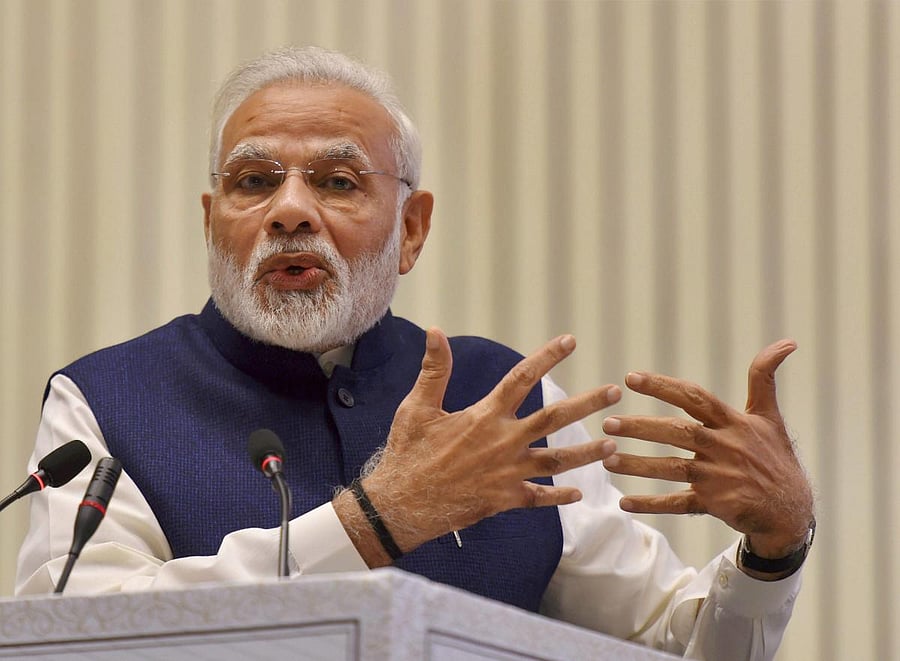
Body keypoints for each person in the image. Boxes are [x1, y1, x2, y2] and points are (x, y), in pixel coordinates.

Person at [16, 46, 814, 659]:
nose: (290, 209)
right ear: (211, 219)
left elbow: (675, 638)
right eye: (255, 180)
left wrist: (773, 551)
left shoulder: (501, 399)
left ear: (414, 228)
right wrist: (369, 522)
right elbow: (80, 636)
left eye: (336, 181)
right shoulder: (104, 400)